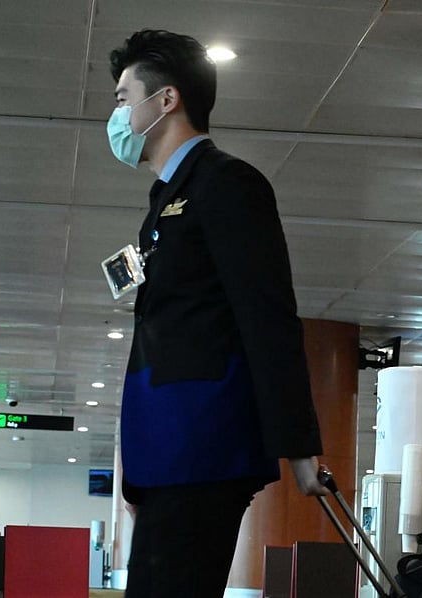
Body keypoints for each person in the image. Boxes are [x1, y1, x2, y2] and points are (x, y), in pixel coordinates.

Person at [105, 29, 327, 598]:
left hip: (203, 447)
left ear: (167, 100)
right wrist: (135, 476)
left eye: (125, 96)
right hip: (164, 452)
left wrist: (299, 444)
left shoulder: (228, 183)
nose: (119, 113)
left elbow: (268, 315)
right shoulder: (163, 203)